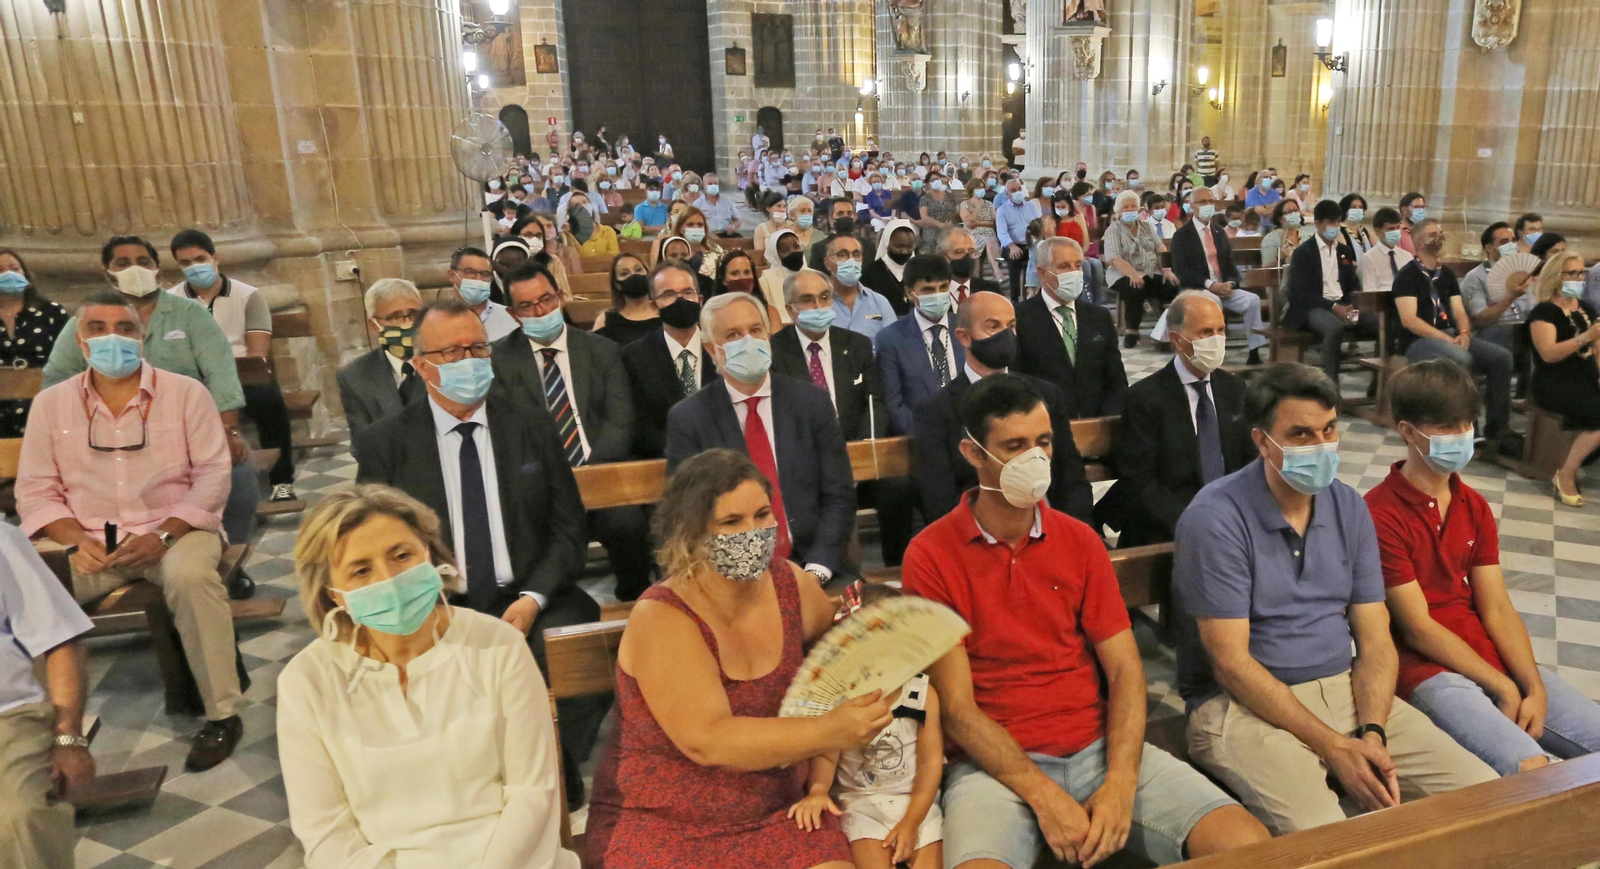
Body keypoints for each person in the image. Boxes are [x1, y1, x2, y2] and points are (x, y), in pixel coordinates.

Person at [906, 374, 1268, 867]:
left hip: (1096, 746)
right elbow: (960, 710)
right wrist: (1043, 795)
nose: (1034, 458)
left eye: (1043, 442)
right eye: (1014, 446)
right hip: (995, 766)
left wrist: (1120, 783)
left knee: (1250, 847)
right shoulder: (930, 555)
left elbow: (1124, 671)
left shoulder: (1078, 541)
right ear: (973, 454)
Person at [1174, 363, 1498, 835]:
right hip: (1240, 706)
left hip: (1343, 689)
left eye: (1328, 430)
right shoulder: (1216, 518)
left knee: (1482, 795)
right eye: (1301, 435)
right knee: (1329, 836)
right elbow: (1230, 664)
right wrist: (1333, 746)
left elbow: (1375, 638)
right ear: (1263, 441)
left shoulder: (1347, 505)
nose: (1321, 447)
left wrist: (1372, 731)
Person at [352, 296, 601, 808]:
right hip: (440, 604)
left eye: (478, 348)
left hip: (530, 592)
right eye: (452, 353)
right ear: (422, 366)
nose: (470, 361)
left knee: (586, 645)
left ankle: (555, 766)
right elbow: (373, 547)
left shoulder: (529, 425)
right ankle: (483, 781)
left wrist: (533, 596)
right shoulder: (386, 443)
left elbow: (568, 526)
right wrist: (432, 606)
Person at [585, 450, 878, 869]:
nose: (753, 533)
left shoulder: (791, 584)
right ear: (692, 534)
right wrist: (829, 730)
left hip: (780, 811)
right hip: (664, 824)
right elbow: (709, 740)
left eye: (762, 515)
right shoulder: (663, 615)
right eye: (731, 523)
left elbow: (843, 638)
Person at [278, 484, 578, 868]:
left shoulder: (498, 646)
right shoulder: (307, 681)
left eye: (401, 555)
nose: (388, 579)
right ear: (334, 594)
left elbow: (533, 794)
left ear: (431, 555)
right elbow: (325, 834)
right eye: (361, 570)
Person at [20, 292, 247, 771]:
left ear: (141, 338)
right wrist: (73, 540)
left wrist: (163, 535)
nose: (112, 339)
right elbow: (36, 489)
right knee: (32, 594)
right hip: (87, 537)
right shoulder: (51, 405)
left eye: (124, 328)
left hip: (173, 529)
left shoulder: (186, 393)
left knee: (191, 579)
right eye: (98, 328)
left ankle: (222, 714)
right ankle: (44, 734)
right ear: (81, 342)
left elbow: (212, 475)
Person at [1367, 360, 1600, 777]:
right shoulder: (1378, 513)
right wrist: (1501, 685)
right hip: (1426, 670)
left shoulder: (1472, 505)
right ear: (1407, 431)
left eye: (1466, 425)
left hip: (1486, 654)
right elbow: (1418, 628)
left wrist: (1532, 683)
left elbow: (1497, 608)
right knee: (1528, 767)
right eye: (1445, 428)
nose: (1461, 437)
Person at [43, 236, 258, 572]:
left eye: (143, 261)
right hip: (109, 429)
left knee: (238, 468)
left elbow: (221, 375)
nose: (135, 269)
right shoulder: (86, 322)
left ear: (157, 269)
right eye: (123, 262)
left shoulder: (189, 315)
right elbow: (57, 381)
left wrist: (228, 428)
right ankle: (113, 555)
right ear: (107, 272)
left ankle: (227, 562)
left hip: (188, 428)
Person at [664, 292, 856, 586]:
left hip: (814, 563)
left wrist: (817, 569)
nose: (748, 341)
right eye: (733, 334)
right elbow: (689, 514)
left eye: (755, 330)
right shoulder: (690, 418)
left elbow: (839, 496)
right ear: (712, 349)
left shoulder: (812, 403)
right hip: (732, 574)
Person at [492, 261, 654, 601]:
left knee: (628, 524)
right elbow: (508, 434)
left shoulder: (601, 350)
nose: (540, 310)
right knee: (524, 535)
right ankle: (548, 605)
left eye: (546, 299)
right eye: (527, 306)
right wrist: (555, 481)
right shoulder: (500, 361)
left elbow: (620, 422)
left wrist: (586, 476)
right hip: (539, 485)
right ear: (513, 312)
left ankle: (634, 598)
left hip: (600, 473)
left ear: (560, 297)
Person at [790, 585, 944, 869]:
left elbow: (931, 762)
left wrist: (912, 821)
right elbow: (828, 751)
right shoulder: (840, 698)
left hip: (916, 802)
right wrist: (818, 791)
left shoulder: (922, 694)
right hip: (860, 802)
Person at [772, 268, 915, 565]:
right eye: (808, 300)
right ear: (791, 309)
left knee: (898, 486)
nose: (819, 306)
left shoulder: (857, 345)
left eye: (825, 297)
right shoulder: (775, 352)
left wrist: (861, 450)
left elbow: (875, 402)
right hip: (805, 462)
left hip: (856, 451)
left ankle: (896, 569)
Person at [913, 292, 1094, 524]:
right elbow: (940, 501)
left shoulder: (1047, 395)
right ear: (964, 337)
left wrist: (1072, 532)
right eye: (993, 327)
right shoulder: (936, 411)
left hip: (1051, 527)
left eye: (1011, 326)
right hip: (980, 537)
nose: (1005, 335)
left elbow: (1071, 478)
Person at [1103, 292, 1253, 547]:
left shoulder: (1234, 389)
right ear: (1177, 340)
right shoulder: (1145, 398)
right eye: (1206, 333)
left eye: (1220, 330)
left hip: (1230, 520)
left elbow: (1249, 463)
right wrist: (1194, 526)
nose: (1217, 340)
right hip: (1167, 524)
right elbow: (1141, 480)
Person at [167, 230, 298, 501]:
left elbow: (258, 351)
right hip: (194, 381)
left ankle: (281, 480)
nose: (194, 267)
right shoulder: (171, 301)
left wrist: (225, 373)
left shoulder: (247, 295)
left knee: (269, 399)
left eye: (200, 259)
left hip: (242, 376)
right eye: (186, 263)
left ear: (215, 258)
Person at [0, 523, 95, 869]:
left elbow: (61, 640)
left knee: (17, 819)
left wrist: (69, 737)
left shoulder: (2, 541)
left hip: (8, 717)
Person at [1394, 219, 1516, 453]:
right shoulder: (1407, 276)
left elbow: (1459, 310)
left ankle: (1498, 427)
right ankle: (1469, 426)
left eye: (1441, 232)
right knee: (1462, 359)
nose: (1439, 236)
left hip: (1450, 336)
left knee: (1501, 358)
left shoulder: (1446, 275)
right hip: (1419, 342)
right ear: (1418, 241)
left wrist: (1464, 332)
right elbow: (1409, 320)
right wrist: (1446, 340)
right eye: (1432, 233)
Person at [1154, 187, 1266, 366]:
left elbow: (1230, 265)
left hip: (1223, 287)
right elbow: (1183, 271)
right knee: (1213, 301)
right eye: (1203, 202)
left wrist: (1230, 283)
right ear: (1192, 206)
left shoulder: (1219, 233)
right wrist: (1210, 285)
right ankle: (1215, 351)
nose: (1208, 206)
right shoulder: (1182, 235)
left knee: (1252, 300)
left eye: (1211, 202)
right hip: (1198, 289)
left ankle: (1254, 350)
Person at [1019, 237, 1128, 418]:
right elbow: (1018, 382)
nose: (1074, 272)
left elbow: (1116, 380)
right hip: (1045, 427)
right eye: (1064, 267)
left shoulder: (1099, 317)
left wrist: (1107, 421)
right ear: (1042, 273)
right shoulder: (1020, 318)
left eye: (1077, 265)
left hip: (1097, 424)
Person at [621, 262, 717, 459]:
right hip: (666, 463)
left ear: (699, 299)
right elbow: (638, 426)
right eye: (668, 295)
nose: (680, 300)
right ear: (653, 305)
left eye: (687, 292)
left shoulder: (721, 348)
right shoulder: (634, 357)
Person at [1527, 251, 1600, 506]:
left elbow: (1597, 349)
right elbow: (1548, 354)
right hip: (1555, 382)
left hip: (1586, 377)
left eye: (1582, 272)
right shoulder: (1544, 312)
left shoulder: (1586, 308)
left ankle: (1583, 457)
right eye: (1572, 273)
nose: (1579, 277)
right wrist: (1585, 337)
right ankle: (1565, 474)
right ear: (1556, 277)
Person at [1284, 200, 1377, 388]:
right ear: (1318, 223)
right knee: (1334, 328)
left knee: (1380, 323)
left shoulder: (1345, 251)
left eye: (1337, 222)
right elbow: (1301, 292)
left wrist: (1353, 303)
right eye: (1330, 222)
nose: (1334, 227)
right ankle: (1331, 386)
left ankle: (1378, 382)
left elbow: (1351, 284)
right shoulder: (1304, 252)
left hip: (1341, 303)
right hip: (1312, 307)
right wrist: (1334, 307)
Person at [874, 254, 966, 437]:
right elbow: (894, 406)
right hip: (922, 439)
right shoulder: (890, 339)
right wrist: (934, 436)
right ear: (909, 293)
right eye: (928, 289)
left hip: (973, 435)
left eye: (943, 287)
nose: (937, 294)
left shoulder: (967, 328)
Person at [338, 279, 426, 448]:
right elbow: (362, 445)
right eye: (395, 317)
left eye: (414, 314)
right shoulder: (355, 376)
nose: (407, 323)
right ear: (374, 326)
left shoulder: (445, 362)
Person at [0, 248, 69, 438]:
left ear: (26, 275)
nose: (8, 274)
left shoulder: (51, 313)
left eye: (15, 268)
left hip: (44, 403)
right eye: (0, 270)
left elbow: (68, 359)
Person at [1102, 191, 1176, 347]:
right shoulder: (1113, 230)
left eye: (1133, 207)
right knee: (1135, 287)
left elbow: (1160, 248)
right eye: (1125, 207)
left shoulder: (1147, 227)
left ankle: (1164, 331)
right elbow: (1114, 258)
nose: (1130, 210)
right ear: (1119, 210)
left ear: (1139, 208)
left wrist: (1167, 270)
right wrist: (1133, 274)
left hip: (1149, 270)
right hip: (1121, 273)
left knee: (1172, 286)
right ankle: (1132, 331)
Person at [1461, 221, 1534, 351]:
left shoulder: (1524, 273)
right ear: (1489, 248)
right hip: (1492, 332)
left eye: (1513, 241)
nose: (1511, 245)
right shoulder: (1475, 277)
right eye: (1504, 242)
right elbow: (1480, 319)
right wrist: (1510, 297)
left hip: (1523, 327)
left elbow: (1533, 308)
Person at [825, 233, 899, 341]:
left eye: (856, 255)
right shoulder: (818, 304)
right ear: (828, 263)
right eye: (842, 255)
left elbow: (893, 344)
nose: (851, 260)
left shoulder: (879, 302)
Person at [446, 245, 519, 342]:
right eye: (470, 272)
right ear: (452, 275)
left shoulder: (511, 317)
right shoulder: (438, 320)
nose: (478, 279)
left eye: (485, 274)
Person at [591, 253, 663, 346]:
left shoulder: (665, 312)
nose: (633, 275)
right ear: (617, 284)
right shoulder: (605, 320)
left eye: (638, 270)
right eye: (625, 273)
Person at [863, 220, 920, 317]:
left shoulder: (920, 270)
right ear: (887, 243)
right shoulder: (870, 272)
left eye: (909, 247)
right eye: (899, 246)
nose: (904, 251)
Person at [1356, 207, 1412, 294]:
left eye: (1398, 228)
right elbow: (1369, 292)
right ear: (1378, 231)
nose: (1396, 232)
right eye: (1390, 229)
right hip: (1380, 303)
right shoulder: (1369, 258)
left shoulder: (1407, 256)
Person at [809, 198, 876, 270]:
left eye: (849, 214)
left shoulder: (869, 247)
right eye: (840, 214)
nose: (845, 217)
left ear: (855, 217)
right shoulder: (819, 248)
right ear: (831, 219)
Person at [940, 227, 1001, 305]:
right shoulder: (933, 291)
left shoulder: (991, 290)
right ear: (944, 256)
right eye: (959, 252)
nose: (967, 256)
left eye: (971, 251)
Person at [995, 179, 1033, 298]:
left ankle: (1032, 294)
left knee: (1040, 257)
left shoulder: (1030, 206)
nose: (1017, 192)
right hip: (1011, 245)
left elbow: (1038, 224)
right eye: (1013, 190)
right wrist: (1012, 246)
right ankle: (1015, 298)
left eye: (1019, 189)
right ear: (1007, 194)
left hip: (1030, 244)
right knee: (1015, 259)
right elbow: (1002, 233)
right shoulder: (1002, 210)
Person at [761, 229, 807, 327]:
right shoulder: (766, 280)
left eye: (796, 246)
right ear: (775, 255)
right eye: (785, 250)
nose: (793, 252)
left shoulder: (816, 276)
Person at [959, 181, 1002, 284]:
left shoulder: (989, 204)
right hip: (972, 234)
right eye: (978, 188)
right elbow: (969, 224)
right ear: (972, 190)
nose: (981, 190)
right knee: (989, 239)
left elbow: (994, 222)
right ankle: (997, 272)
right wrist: (977, 209)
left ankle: (996, 271)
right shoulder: (965, 204)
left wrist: (978, 223)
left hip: (989, 233)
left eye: (982, 187)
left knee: (989, 238)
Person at [561, 190, 619, 258]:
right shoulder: (569, 234)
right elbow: (572, 260)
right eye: (577, 205)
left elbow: (614, 256)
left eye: (585, 202)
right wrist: (568, 235)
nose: (582, 206)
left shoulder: (608, 231)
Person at [1258, 199, 1303, 269]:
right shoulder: (1272, 238)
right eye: (1289, 212)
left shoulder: (1306, 236)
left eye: (1296, 210)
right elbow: (1266, 269)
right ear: (1280, 218)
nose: (1294, 214)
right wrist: (1280, 257)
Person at [693, 173, 743, 237]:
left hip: (726, 234)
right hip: (708, 236)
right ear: (703, 185)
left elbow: (737, 219)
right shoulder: (697, 204)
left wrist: (733, 226)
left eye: (715, 183)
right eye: (710, 184)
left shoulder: (727, 200)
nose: (713, 185)